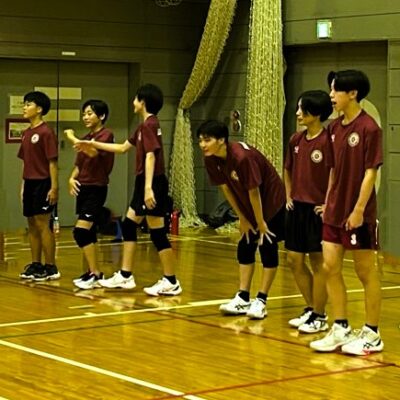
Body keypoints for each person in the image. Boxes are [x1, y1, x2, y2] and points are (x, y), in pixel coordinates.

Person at [73, 83, 182, 296]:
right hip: (143, 181)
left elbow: (151, 156)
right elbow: (123, 148)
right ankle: (125, 275)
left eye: (135, 99)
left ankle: (171, 281)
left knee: (158, 234)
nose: (133, 102)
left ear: (143, 102)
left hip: (152, 182)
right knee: (129, 226)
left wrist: (148, 188)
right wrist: (93, 144)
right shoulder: (143, 126)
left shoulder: (150, 125)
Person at [310, 70, 384, 355]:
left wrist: (359, 210)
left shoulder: (369, 128)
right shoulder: (333, 129)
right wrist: (329, 201)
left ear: (352, 93)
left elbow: (370, 173)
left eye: (335, 90)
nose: (331, 95)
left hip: (358, 213)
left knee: (365, 272)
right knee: (330, 266)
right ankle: (340, 327)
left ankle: (372, 333)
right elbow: (333, 170)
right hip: (334, 211)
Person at [197, 120, 285, 319]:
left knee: (267, 246)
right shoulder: (211, 158)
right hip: (250, 206)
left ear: (221, 140)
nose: (202, 145)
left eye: (207, 140)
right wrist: (242, 218)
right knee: (245, 245)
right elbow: (226, 188)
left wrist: (261, 223)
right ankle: (243, 297)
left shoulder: (242, 157)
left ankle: (261, 300)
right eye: (200, 140)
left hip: (271, 203)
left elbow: (254, 192)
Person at [284, 90, 333, 333]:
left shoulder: (327, 142)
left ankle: (320, 315)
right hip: (297, 208)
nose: (298, 113)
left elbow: (336, 174)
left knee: (317, 262)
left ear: (316, 113)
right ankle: (312, 307)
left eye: (302, 109)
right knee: (293, 259)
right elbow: (287, 169)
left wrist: (328, 204)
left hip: (317, 211)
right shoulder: (295, 140)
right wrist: (288, 195)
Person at [64, 99, 115, 289]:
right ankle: (91, 272)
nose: (85, 117)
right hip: (83, 188)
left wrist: (71, 136)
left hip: (96, 188)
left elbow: (92, 152)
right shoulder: (86, 137)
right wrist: (71, 179)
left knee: (81, 231)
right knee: (90, 232)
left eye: (89, 113)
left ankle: (96, 273)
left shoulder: (106, 135)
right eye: (84, 114)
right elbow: (80, 164)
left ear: (101, 116)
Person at [18, 91, 60, 281]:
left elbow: (52, 162)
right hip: (30, 182)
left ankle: (51, 267)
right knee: (32, 224)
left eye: (28, 104)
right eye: (24, 104)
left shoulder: (46, 132)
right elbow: (25, 162)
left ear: (39, 109)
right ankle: (36, 264)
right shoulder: (27, 133)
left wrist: (54, 187)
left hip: (43, 182)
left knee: (43, 224)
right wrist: (23, 185)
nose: (24, 107)